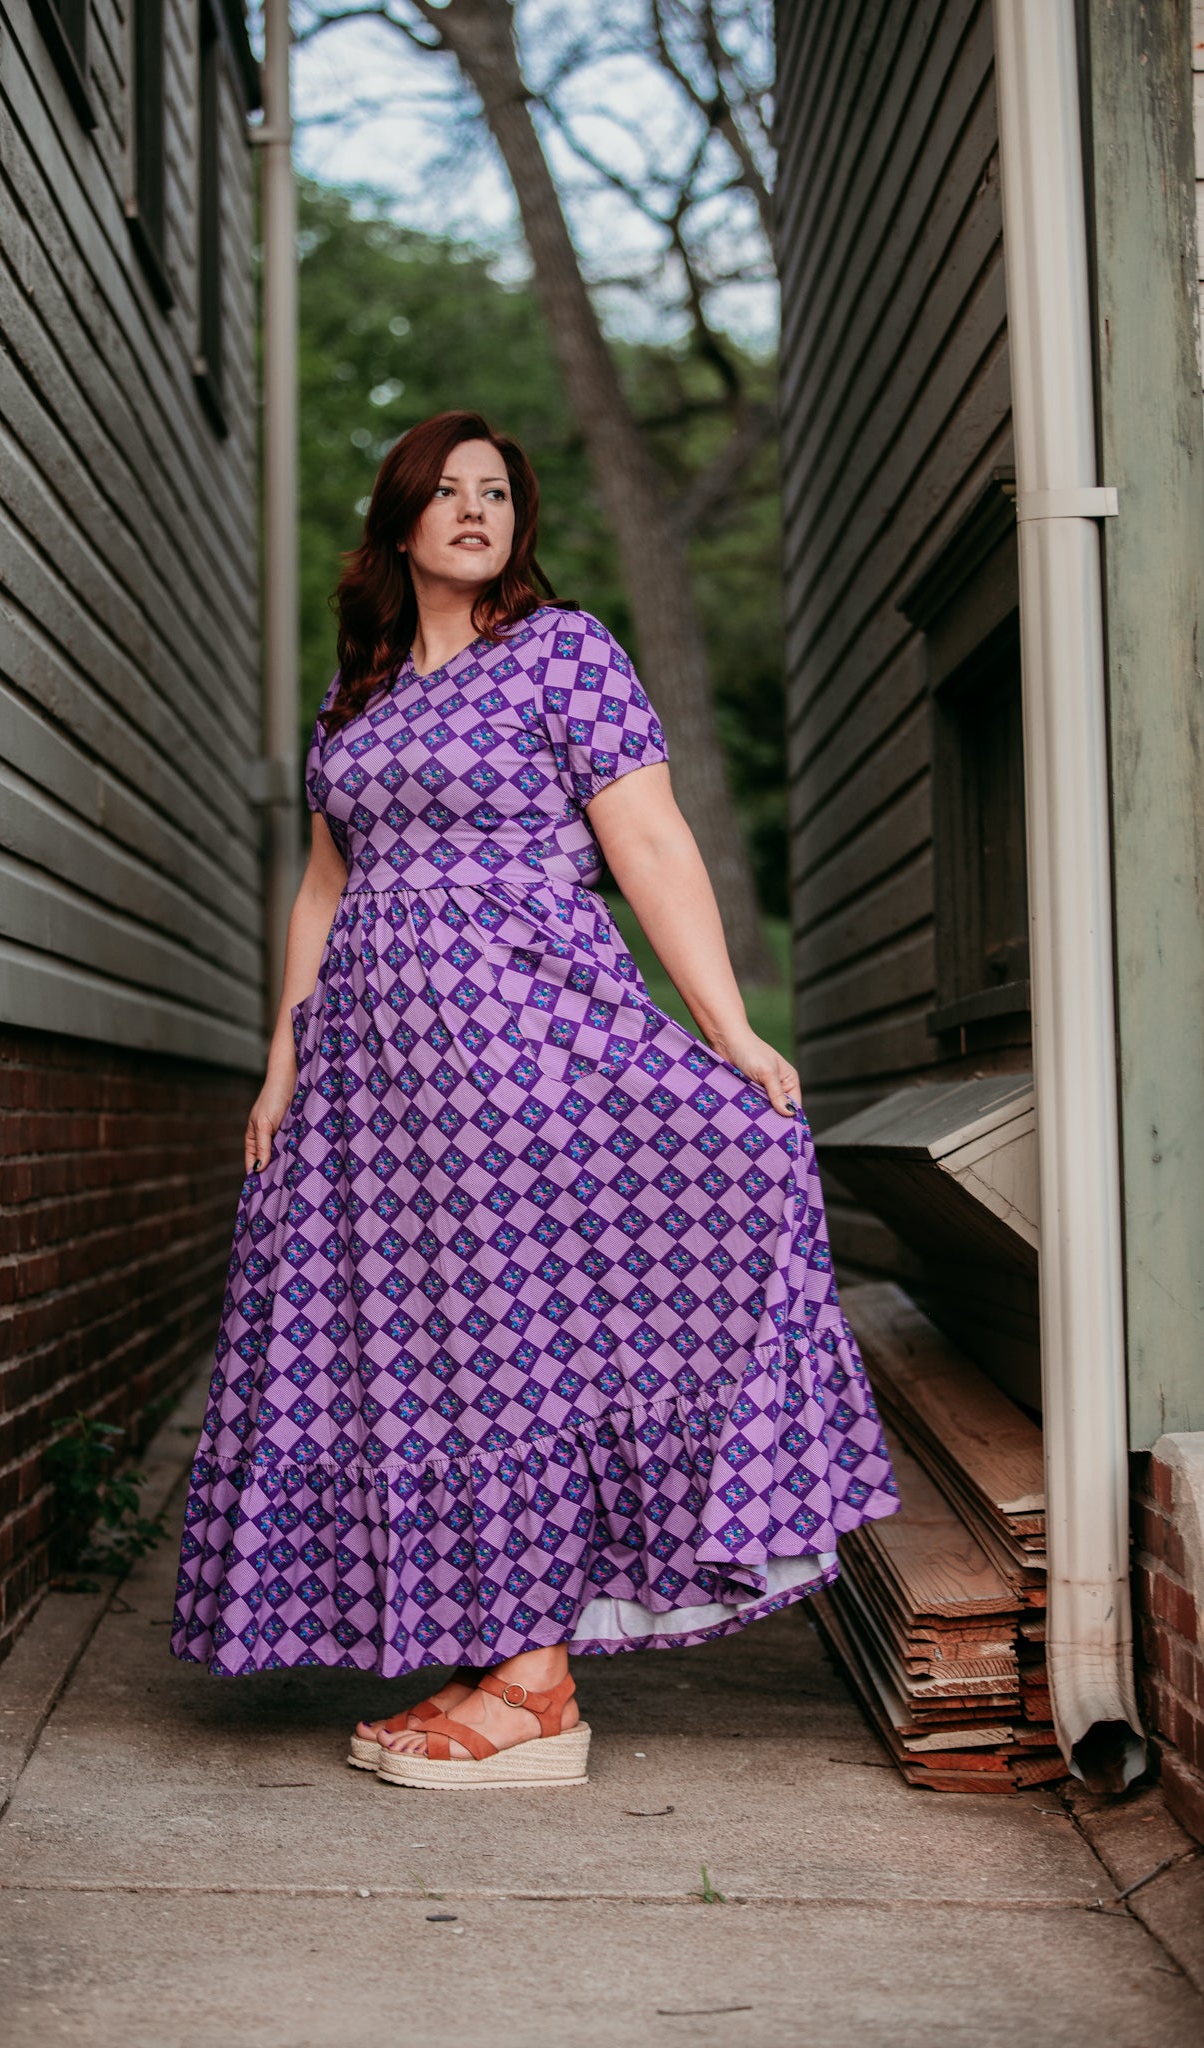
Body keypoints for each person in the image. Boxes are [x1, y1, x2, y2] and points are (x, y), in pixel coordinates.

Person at [171, 410, 898, 1789]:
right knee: (430, 1362)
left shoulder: (564, 652)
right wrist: (280, 1062)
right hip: (371, 1096)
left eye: (495, 492)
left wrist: (727, 1027)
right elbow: (325, 887)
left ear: (520, 519)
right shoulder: (359, 697)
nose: (472, 510)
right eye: (443, 492)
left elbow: (645, 834)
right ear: (396, 524)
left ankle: (536, 1685)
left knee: (518, 1341)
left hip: (520, 1052)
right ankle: (502, 1645)